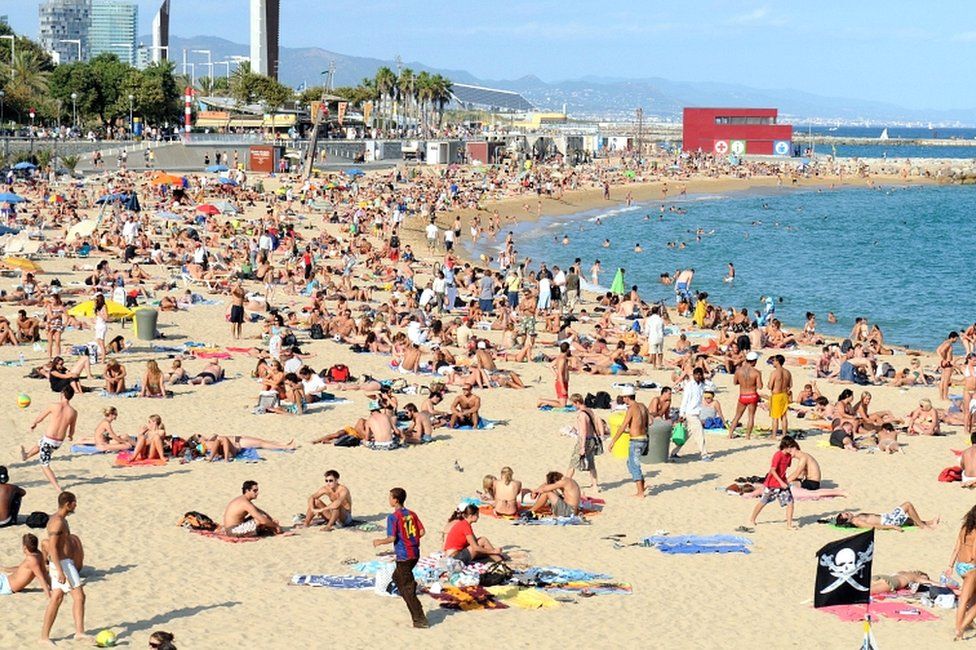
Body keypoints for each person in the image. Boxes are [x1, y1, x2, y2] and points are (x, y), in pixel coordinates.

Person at [373, 487, 428, 629]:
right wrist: (411, 539)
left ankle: (420, 619)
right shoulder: (412, 514)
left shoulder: (393, 517)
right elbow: (421, 531)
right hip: (415, 553)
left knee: (407, 589)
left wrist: (379, 541)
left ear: (395, 500)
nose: (389, 499)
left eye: (390, 497)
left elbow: (392, 537)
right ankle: (409, 587)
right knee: (397, 577)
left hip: (405, 556)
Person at [41, 491, 88, 644]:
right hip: (62, 564)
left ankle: (44, 636)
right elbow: (52, 548)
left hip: (63, 563)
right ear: (67, 504)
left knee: (56, 598)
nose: (76, 505)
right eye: (74, 502)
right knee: (79, 596)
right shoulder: (57, 522)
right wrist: (60, 571)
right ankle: (79, 632)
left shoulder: (61, 519)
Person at [20, 387, 78, 492]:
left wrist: (34, 423)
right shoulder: (73, 412)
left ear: (62, 394)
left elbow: (41, 417)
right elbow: (72, 429)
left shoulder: (54, 406)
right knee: (41, 443)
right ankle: (26, 455)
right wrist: (70, 436)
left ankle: (57, 487)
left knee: (44, 464)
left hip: (49, 440)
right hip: (58, 442)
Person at [740, 435, 798, 533]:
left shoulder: (788, 456)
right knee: (764, 501)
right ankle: (752, 518)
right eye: (791, 447)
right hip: (772, 484)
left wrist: (792, 455)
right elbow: (773, 470)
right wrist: (780, 482)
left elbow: (787, 466)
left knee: (790, 503)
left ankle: (789, 524)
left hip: (783, 483)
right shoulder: (778, 455)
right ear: (785, 446)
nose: (792, 448)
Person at [608, 385, 649, 497]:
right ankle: (642, 484)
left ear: (627, 397)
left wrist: (613, 441)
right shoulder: (642, 406)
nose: (623, 399)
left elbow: (622, 426)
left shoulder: (631, 408)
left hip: (636, 440)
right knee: (630, 463)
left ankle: (640, 493)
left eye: (624, 397)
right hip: (644, 439)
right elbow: (650, 422)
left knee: (634, 465)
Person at [951, 505, 976, 640]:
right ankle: (960, 629)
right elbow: (974, 555)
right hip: (971, 568)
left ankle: (967, 623)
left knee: (968, 597)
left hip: (960, 566)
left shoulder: (964, 529)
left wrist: (950, 566)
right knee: (966, 599)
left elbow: (956, 548)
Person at [675, 367, 711, 462]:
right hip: (690, 413)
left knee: (685, 435)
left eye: (700, 374)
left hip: (696, 413)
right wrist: (681, 414)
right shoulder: (689, 385)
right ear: (693, 375)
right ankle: (704, 454)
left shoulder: (702, 385)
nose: (698, 376)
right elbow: (685, 400)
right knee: (700, 434)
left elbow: (711, 385)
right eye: (697, 374)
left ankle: (672, 452)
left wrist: (708, 376)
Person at [566, 393, 600, 491]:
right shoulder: (590, 411)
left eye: (573, 404)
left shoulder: (581, 414)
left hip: (584, 440)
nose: (573, 406)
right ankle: (595, 485)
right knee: (591, 463)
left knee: (573, 463)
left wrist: (582, 447)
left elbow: (584, 431)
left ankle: (566, 482)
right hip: (592, 439)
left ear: (577, 403)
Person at [727, 351, 763, 439]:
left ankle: (730, 434)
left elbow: (735, 382)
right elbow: (760, 386)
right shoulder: (756, 372)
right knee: (751, 416)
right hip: (752, 395)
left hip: (743, 395)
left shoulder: (738, 371)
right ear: (754, 361)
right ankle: (747, 436)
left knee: (737, 416)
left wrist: (743, 382)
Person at [835, 502, 940, 531]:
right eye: (847, 514)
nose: (849, 512)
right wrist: (892, 526)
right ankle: (923, 526)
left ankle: (929, 522)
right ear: (847, 520)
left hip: (887, 517)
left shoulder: (856, 517)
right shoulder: (857, 521)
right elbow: (873, 527)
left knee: (908, 520)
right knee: (907, 505)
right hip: (888, 521)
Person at [537, 342, 570, 409]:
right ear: (567, 349)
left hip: (563, 381)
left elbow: (550, 366)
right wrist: (562, 386)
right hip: (561, 382)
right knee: (562, 405)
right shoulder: (562, 359)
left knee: (563, 403)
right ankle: (541, 400)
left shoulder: (560, 357)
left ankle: (542, 401)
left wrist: (555, 375)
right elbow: (560, 373)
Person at [768, 354, 792, 437]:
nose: (773, 362)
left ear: (778, 362)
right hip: (784, 395)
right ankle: (784, 434)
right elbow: (790, 385)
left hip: (776, 395)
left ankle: (774, 435)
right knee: (784, 416)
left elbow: (770, 386)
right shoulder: (788, 372)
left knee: (775, 417)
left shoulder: (774, 373)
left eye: (774, 361)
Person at [938, 331, 960, 402]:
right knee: (946, 381)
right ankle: (945, 397)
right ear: (952, 338)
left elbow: (938, 350)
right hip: (948, 363)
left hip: (944, 363)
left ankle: (941, 397)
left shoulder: (945, 342)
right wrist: (945, 359)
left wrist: (942, 359)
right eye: (956, 339)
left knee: (942, 380)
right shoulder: (948, 344)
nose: (956, 340)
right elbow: (942, 351)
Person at [645, 305, 665, 369]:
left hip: (652, 336)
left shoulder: (649, 319)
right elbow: (663, 328)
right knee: (660, 351)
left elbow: (647, 329)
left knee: (653, 352)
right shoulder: (660, 319)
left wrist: (646, 336)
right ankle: (660, 364)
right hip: (660, 336)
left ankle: (654, 365)